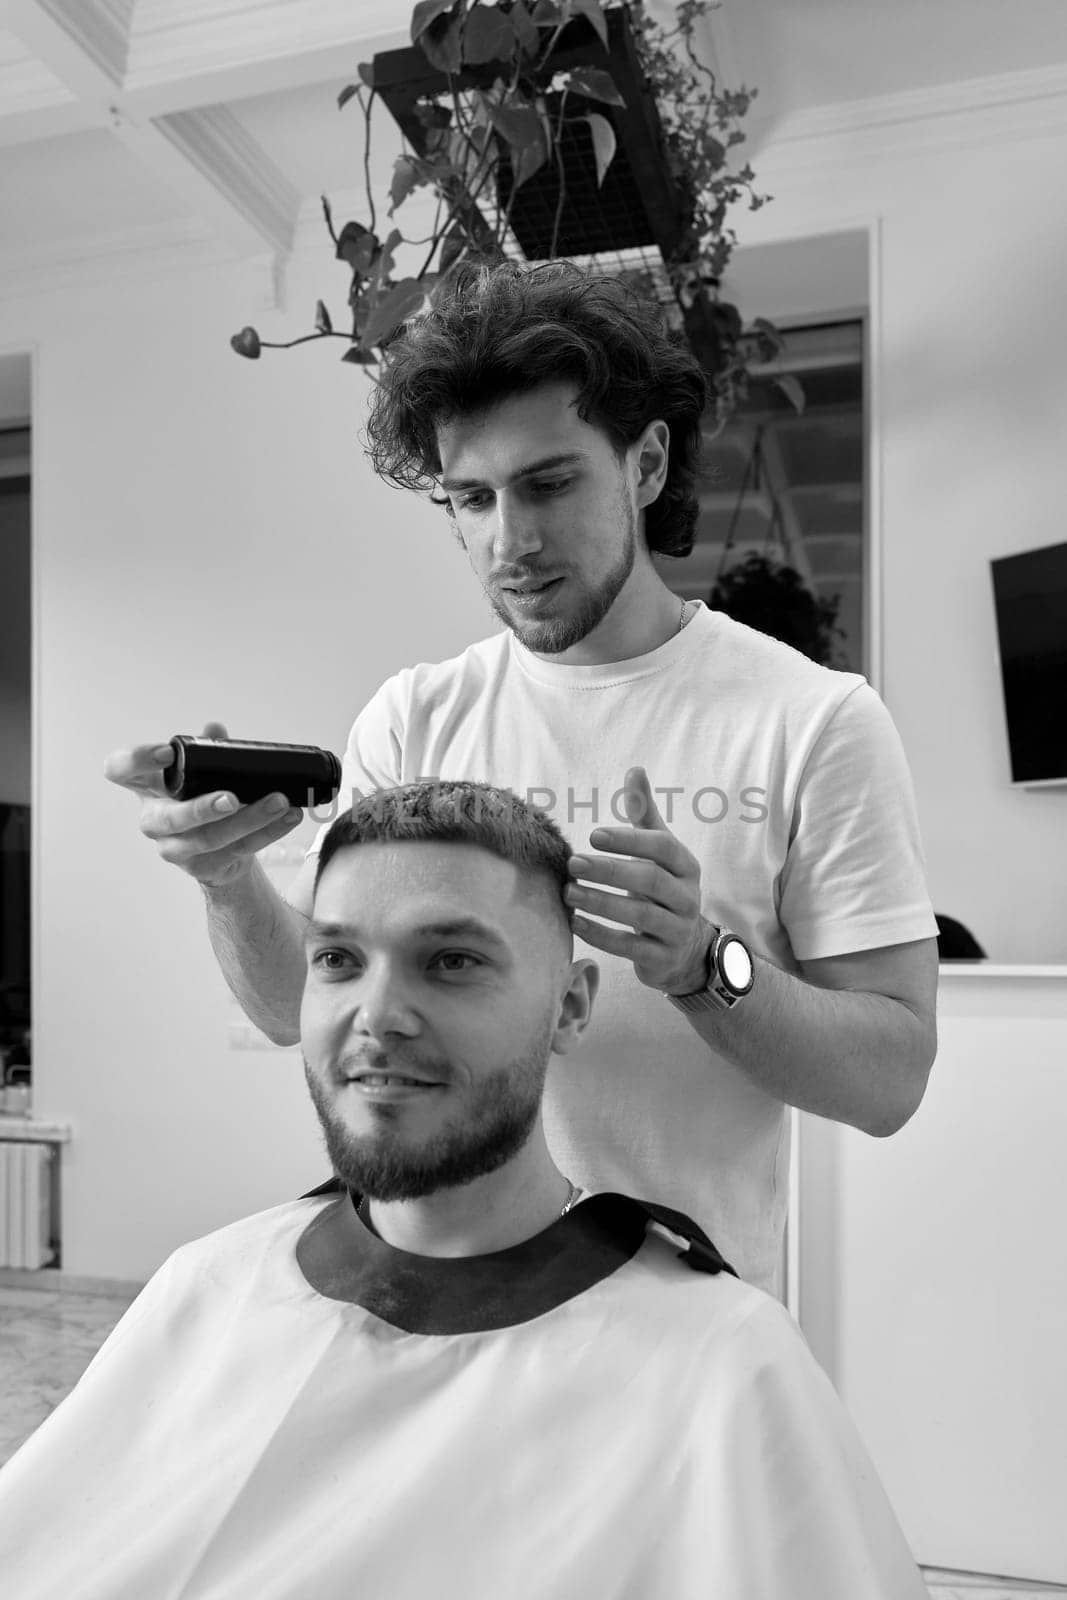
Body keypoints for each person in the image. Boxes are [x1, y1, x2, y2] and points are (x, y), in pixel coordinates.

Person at [104, 261, 939, 1290]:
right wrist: (226, 881)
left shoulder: (812, 722)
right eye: (471, 498)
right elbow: (294, 1009)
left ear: (642, 463)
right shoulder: (415, 717)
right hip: (426, 1298)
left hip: (674, 1326)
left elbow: (891, 1077)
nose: (512, 540)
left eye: (548, 483)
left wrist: (703, 966)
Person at [0, 783, 928, 1599]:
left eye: (451, 961)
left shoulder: (716, 1364)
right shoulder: (212, 1283)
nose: (377, 1019)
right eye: (336, 960)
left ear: (569, 1006)